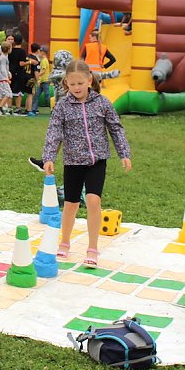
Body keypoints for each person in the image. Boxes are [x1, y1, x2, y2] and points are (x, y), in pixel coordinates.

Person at [41, 59, 132, 269]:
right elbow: (54, 132)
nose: (76, 88)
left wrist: (124, 154)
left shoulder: (102, 103)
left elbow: (116, 129)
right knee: (71, 204)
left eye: (80, 83)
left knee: (93, 201)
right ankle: (64, 241)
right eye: (72, 84)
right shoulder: (63, 106)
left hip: (96, 161)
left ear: (89, 80)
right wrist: (49, 157)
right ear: (66, 84)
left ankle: (92, 248)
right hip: (73, 161)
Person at [6, 33, 28, 114]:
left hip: (11, 72)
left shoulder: (10, 51)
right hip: (19, 72)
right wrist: (30, 62)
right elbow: (21, 63)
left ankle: (9, 108)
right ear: (21, 42)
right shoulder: (22, 51)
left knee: (10, 90)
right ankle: (18, 108)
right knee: (19, 92)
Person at [0, 41, 12, 116]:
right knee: (8, 94)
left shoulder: (2, 57)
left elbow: (4, 68)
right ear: (8, 49)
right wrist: (6, 78)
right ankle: (0, 109)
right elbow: (3, 69)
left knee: (0, 96)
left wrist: (9, 73)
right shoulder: (3, 58)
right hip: (2, 79)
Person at [31, 44, 51, 116]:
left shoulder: (44, 61)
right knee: (37, 95)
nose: (39, 53)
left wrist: (37, 75)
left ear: (43, 52)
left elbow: (43, 71)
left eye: (40, 51)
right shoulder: (43, 60)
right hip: (42, 81)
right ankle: (33, 109)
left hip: (45, 81)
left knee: (47, 96)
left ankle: (53, 108)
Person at [23, 43, 41, 115]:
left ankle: (26, 108)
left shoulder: (27, 57)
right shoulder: (36, 60)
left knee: (30, 93)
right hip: (31, 78)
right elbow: (36, 71)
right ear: (38, 50)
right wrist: (38, 80)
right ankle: (29, 110)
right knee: (30, 94)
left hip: (24, 76)